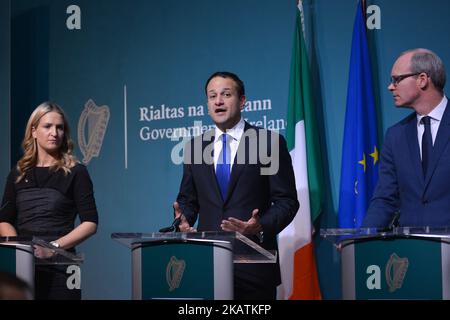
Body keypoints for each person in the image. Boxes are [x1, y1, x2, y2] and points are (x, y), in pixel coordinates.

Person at [174, 71, 299, 299]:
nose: (218, 101)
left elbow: (286, 201)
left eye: (226, 94)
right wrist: (183, 219)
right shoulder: (195, 148)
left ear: (242, 101)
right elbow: (188, 200)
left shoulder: (267, 143)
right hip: (207, 264)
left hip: (254, 263)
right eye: (212, 96)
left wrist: (259, 226)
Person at [0, 102, 98, 300]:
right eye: (48, 126)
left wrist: (52, 248)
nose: (55, 132)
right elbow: (4, 220)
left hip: (64, 269)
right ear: (34, 131)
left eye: (60, 127)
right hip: (24, 269)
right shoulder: (17, 174)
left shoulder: (76, 172)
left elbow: (90, 223)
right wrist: (20, 251)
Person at [363, 48, 449, 228]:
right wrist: (362, 237)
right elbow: (385, 199)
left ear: (422, 80)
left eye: (397, 80)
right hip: (412, 251)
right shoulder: (395, 136)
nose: (390, 87)